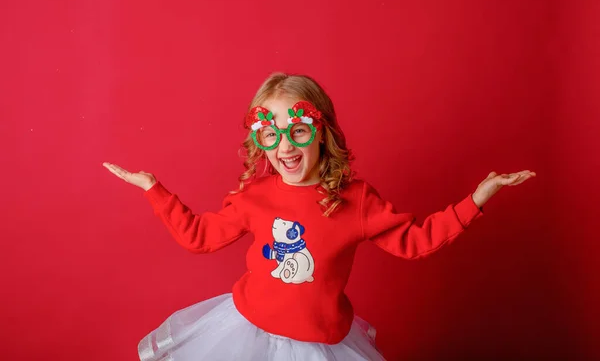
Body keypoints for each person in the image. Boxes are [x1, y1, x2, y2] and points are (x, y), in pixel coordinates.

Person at [103, 72, 536, 360]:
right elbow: (199, 236)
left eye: (298, 131)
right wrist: (154, 190)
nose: (286, 147)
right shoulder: (255, 197)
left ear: (321, 132)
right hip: (248, 336)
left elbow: (416, 241)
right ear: (262, 140)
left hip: (318, 346)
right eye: (272, 134)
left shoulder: (356, 200)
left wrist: (476, 199)